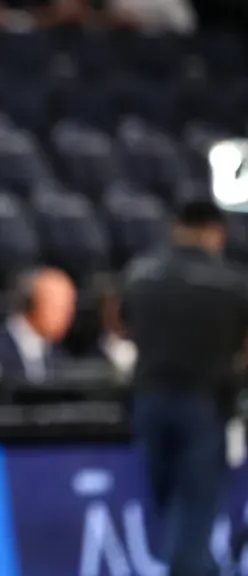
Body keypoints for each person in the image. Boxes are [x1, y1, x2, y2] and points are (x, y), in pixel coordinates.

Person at [122, 200, 248, 576]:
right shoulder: (233, 282)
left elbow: (124, 328)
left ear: (177, 227)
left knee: (171, 512)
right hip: (203, 408)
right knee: (190, 525)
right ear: (215, 232)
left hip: (149, 405)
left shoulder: (141, 275)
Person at [0, 267, 76, 385]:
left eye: (69, 309)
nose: (68, 317)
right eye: (59, 308)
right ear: (31, 304)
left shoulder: (59, 356)